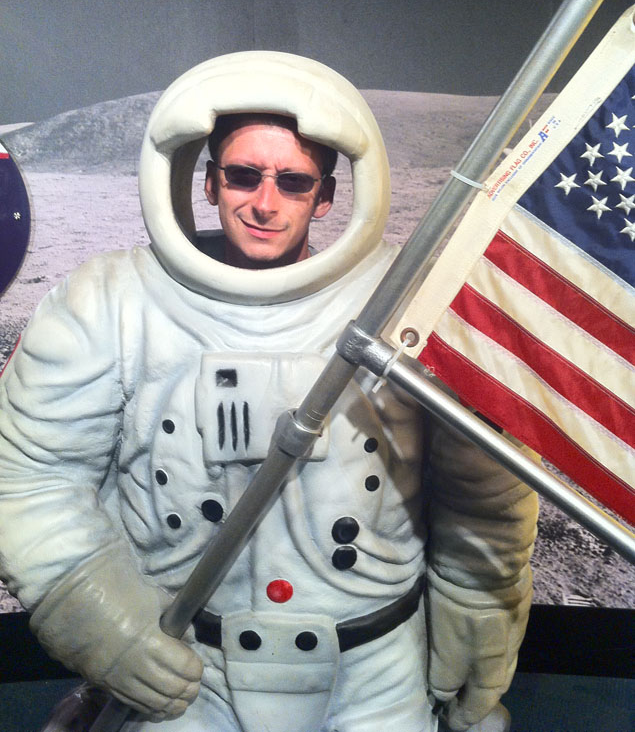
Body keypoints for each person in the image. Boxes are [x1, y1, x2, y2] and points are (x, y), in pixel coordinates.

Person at [0, 52, 537, 732]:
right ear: (208, 180)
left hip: (373, 674)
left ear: (327, 195)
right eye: (243, 175)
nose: (264, 202)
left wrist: (478, 597)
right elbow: (33, 475)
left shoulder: (410, 306)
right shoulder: (108, 305)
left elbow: (480, 487)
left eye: (293, 182)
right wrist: (94, 612)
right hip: (184, 670)